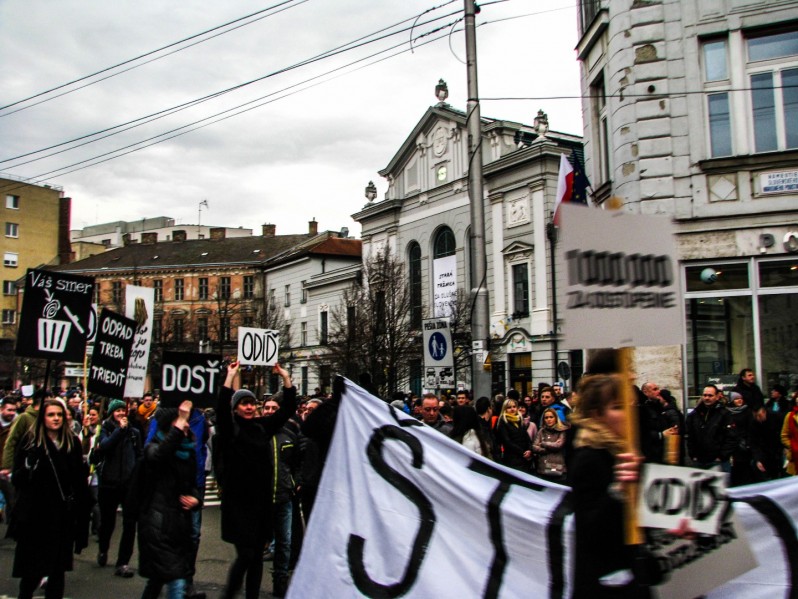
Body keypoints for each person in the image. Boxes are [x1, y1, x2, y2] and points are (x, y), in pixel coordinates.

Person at [215, 362, 296, 599]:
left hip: (260, 504)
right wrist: (230, 377)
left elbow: (288, 408)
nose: (249, 407)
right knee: (247, 554)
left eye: (251, 403)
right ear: (236, 408)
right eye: (244, 403)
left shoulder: (262, 427)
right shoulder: (231, 430)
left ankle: (252, 595)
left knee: (257, 556)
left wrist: (285, 377)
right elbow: (221, 410)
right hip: (238, 504)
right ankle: (229, 593)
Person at [569, 374, 650, 598]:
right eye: (617, 407)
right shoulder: (588, 457)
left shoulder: (627, 452)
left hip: (635, 578)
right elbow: (590, 528)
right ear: (598, 415)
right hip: (605, 584)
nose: (628, 413)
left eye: (629, 405)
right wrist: (618, 490)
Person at [8, 397, 90, 599]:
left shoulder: (72, 443)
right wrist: (29, 464)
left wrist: (81, 514)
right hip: (35, 517)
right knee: (31, 573)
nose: (56, 419)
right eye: (51, 415)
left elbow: (78, 482)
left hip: (61, 517)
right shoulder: (30, 442)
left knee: (56, 572)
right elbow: (18, 480)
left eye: (59, 415)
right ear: (42, 418)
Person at [136, 400, 200, 599]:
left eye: (186, 421)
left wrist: (196, 499)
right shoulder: (153, 448)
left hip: (179, 525)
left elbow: (192, 485)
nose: (187, 424)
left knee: (157, 578)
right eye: (180, 421)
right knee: (176, 577)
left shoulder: (187, 451)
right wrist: (180, 420)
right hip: (158, 524)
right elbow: (161, 456)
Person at [93, 398, 142, 577]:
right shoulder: (105, 429)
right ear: (112, 413)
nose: (121, 413)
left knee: (130, 524)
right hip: (109, 482)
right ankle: (103, 548)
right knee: (108, 522)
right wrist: (119, 431)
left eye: (124, 410)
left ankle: (123, 562)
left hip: (128, 484)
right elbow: (105, 446)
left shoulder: (134, 432)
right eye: (118, 410)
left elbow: (140, 455)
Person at [685, 385, 735, 472]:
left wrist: (722, 456)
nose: (707, 398)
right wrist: (693, 454)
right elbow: (690, 435)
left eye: (710, 395)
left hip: (718, 462)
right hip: (699, 461)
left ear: (716, 397)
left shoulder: (725, 414)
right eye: (705, 395)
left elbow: (731, 437)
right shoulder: (694, 415)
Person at [532, 407, 570, 482]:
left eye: (551, 417)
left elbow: (558, 445)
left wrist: (543, 443)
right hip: (542, 467)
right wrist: (546, 450)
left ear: (555, 418)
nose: (548, 419)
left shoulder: (561, 431)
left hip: (556, 467)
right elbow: (534, 447)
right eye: (546, 417)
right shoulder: (541, 431)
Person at [495, 398, 533, 472]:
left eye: (514, 407)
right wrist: (522, 452)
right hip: (512, 459)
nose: (512, 409)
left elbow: (526, 437)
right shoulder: (502, 422)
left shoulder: (520, 420)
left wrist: (529, 450)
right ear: (504, 409)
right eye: (509, 407)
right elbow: (507, 441)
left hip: (524, 459)